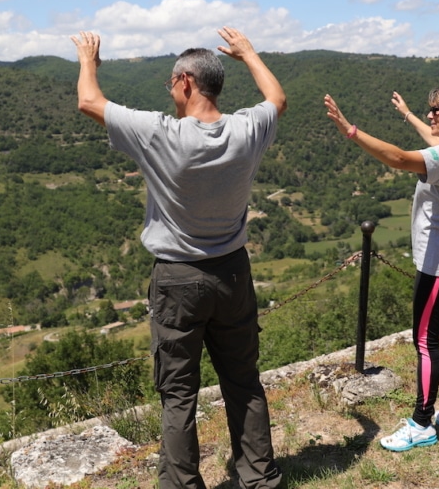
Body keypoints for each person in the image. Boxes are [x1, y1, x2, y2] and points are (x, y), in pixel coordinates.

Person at [71, 27, 286, 489]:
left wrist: (89, 60)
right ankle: (259, 478)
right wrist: (249, 54)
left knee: (179, 394)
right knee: (243, 381)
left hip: (177, 279)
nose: (169, 93)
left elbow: (89, 102)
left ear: (186, 81)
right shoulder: (247, 131)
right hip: (232, 271)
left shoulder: (159, 134)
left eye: (171, 84)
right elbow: (277, 98)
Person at [324, 85, 439, 452]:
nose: (430, 114)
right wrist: (406, 114)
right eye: (428, 109)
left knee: (424, 340)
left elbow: (399, 158)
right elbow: (431, 140)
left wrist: (351, 130)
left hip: (438, 264)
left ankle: (421, 422)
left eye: (437, 110)